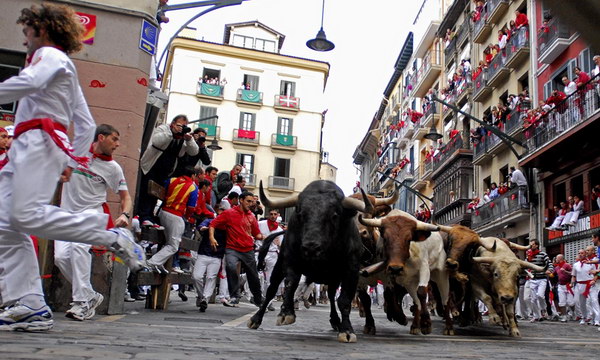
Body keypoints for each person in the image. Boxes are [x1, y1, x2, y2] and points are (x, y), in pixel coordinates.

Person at [0, 3, 144, 332]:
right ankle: (31, 304)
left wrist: (68, 158)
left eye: (27, 32)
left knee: (21, 217)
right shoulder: (64, 66)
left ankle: (110, 236)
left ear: (44, 30)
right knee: (6, 225)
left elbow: (28, 83)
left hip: (37, 144)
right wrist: (72, 159)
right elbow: (85, 120)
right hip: (31, 146)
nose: (25, 40)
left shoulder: (49, 56)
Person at [53, 124, 132, 321]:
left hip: (91, 213)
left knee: (79, 247)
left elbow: (125, 197)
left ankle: (81, 303)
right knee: (61, 257)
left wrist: (125, 215)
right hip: (66, 215)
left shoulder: (113, 168)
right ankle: (90, 295)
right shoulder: (75, 154)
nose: (118, 144)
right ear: (101, 138)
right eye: (114, 139)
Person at [138, 115, 198, 227]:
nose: (181, 128)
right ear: (173, 123)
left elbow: (194, 152)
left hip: (166, 170)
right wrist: (171, 132)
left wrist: (190, 140)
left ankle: (150, 216)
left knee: (157, 192)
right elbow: (156, 141)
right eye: (179, 125)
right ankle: (143, 216)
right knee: (147, 191)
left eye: (184, 126)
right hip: (152, 165)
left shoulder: (183, 138)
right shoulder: (164, 129)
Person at [209, 191, 264, 307]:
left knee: (253, 275)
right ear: (241, 200)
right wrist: (212, 238)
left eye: (252, 202)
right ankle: (234, 296)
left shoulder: (252, 217)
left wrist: (265, 237)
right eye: (248, 201)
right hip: (232, 248)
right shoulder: (229, 213)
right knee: (231, 266)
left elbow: (257, 234)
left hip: (248, 249)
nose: (250, 204)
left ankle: (258, 298)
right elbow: (213, 224)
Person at [145, 166, 200, 273]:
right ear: (193, 175)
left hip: (163, 212)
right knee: (173, 246)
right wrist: (187, 217)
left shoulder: (172, 180)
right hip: (176, 216)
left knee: (167, 240)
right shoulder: (193, 187)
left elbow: (164, 191)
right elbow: (191, 207)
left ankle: (159, 263)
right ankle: (152, 262)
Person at [192, 206, 226, 313]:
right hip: (203, 253)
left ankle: (205, 300)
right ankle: (201, 295)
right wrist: (205, 229)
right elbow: (200, 227)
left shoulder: (228, 226)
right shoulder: (209, 221)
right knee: (196, 277)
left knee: (211, 278)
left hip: (217, 256)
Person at [257, 209, 284, 312]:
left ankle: (269, 301)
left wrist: (278, 244)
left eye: (275, 214)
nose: (273, 216)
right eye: (271, 214)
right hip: (259, 252)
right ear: (268, 214)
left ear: (277, 215)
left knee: (270, 279)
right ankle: (258, 297)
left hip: (272, 254)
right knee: (258, 277)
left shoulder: (279, 230)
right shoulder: (260, 224)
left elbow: (281, 245)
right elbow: (254, 234)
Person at [526, 240, 554, 322]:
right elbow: (526, 264)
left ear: (537, 245)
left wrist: (550, 270)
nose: (531, 246)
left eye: (533, 244)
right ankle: (536, 316)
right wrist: (527, 272)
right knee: (533, 299)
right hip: (533, 278)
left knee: (540, 296)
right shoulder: (528, 255)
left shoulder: (543, 254)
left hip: (542, 279)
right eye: (530, 244)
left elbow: (550, 264)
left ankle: (543, 309)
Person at [572, 249, 594, 324]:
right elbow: (573, 275)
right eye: (579, 253)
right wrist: (572, 283)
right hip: (579, 285)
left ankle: (590, 317)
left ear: (585, 254)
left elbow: (594, 273)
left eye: (582, 253)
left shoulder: (590, 263)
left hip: (589, 284)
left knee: (589, 302)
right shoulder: (576, 265)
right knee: (580, 302)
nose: (580, 254)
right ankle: (583, 317)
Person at [553, 254, 574, 322]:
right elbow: (553, 275)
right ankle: (564, 316)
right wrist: (547, 273)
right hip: (560, 286)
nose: (556, 260)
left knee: (571, 303)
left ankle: (572, 313)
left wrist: (565, 271)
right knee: (561, 302)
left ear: (560, 259)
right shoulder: (556, 267)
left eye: (556, 258)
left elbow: (573, 274)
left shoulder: (567, 265)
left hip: (568, 285)